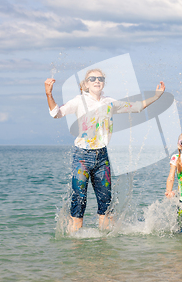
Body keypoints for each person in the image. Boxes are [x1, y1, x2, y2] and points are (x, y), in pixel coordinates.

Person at [44, 69, 165, 233]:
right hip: (82, 156)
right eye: (92, 78)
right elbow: (56, 114)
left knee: (106, 202)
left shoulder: (110, 102)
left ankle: (105, 246)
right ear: (86, 84)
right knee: (79, 199)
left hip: (102, 157)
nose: (96, 81)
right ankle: (75, 244)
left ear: (103, 83)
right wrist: (49, 94)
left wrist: (156, 96)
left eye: (100, 78)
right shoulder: (79, 101)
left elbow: (136, 107)